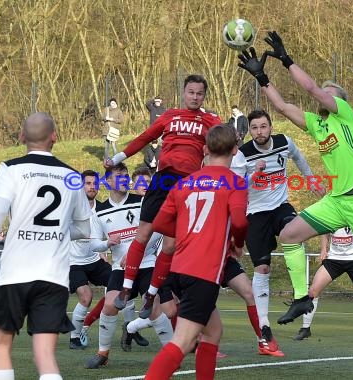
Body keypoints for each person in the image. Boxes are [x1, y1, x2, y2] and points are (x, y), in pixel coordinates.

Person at [237, 32, 353, 360]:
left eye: (329, 93)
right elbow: (284, 106)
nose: (323, 95)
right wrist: (262, 77)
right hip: (337, 201)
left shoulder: (345, 113)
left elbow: (312, 88)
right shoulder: (318, 124)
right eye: (325, 93)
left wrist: (287, 60)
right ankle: (302, 296)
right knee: (289, 235)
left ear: (339, 100)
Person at [0, 112, 93, 380]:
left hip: (14, 273)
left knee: (1, 346)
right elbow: (83, 229)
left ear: (21, 137)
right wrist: (57, 231)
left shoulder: (11, 168)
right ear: (55, 137)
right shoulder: (71, 176)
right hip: (53, 276)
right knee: (45, 355)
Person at [103, 75, 221, 313]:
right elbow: (145, 138)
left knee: (170, 245)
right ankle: (127, 288)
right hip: (163, 181)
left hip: (188, 187)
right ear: (183, 93)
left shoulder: (211, 120)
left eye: (199, 93)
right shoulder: (169, 116)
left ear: (204, 96)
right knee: (143, 233)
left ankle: (151, 293)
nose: (195, 97)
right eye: (191, 92)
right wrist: (116, 158)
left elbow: (225, 145)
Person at [143, 124, 248, 380]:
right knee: (183, 341)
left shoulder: (184, 183)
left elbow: (159, 223)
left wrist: (187, 232)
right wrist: (238, 243)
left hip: (178, 269)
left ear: (204, 149)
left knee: (213, 332)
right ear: (235, 150)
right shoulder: (235, 182)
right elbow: (240, 222)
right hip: (203, 273)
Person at [232, 108, 322, 356]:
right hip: (255, 214)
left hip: (280, 206)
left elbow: (300, 158)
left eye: (263, 126)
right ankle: (264, 327)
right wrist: (255, 176)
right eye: (254, 128)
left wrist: (311, 179)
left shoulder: (284, 142)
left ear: (270, 127)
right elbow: (235, 188)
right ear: (249, 131)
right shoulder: (242, 155)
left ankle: (300, 296)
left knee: (295, 232)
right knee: (262, 268)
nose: (259, 132)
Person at [85, 163, 173, 369]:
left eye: (126, 176)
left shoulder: (143, 202)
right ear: (108, 181)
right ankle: (103, 353)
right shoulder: (99, 212)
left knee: (153, 307)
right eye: (119, 176)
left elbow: (159, 230)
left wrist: (135, 250)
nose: (124, 179)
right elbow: (93, 244)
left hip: (147, 263)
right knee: (109, 304)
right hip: (120, 268)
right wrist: (107, 243)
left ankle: (171, 353)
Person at [293, 227, 353, 342]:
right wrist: (323, 249)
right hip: (334, 260)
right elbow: (325, 232)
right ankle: (305, 329)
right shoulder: (334, 214)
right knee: (313, 291)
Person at [67, 170, 112, 350]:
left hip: (94, 260)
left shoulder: (103, 209)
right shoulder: (70, 209)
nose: (92, 187)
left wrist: (103, 250)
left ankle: (131, 329)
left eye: (95, 183)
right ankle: (74, 337)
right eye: (88, 183)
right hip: (74, 262)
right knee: (86, 296)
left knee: (122, 285)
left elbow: (109, 233)